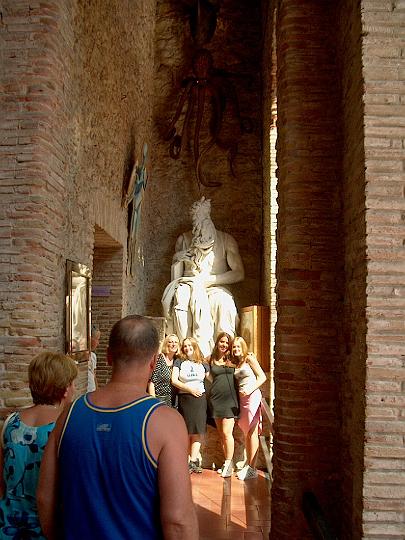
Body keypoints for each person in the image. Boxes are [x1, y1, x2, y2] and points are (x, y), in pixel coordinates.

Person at [37, 315, 198, 540]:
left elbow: (45, 498)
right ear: (153, 361)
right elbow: (177, 520)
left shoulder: (69, 414)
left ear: (108, 355)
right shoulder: (166, 421)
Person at [0, 352, 77, 539]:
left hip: (7, 525)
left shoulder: (10, 423)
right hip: (45, 528)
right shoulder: (66, 426)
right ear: (65, 389)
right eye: (73, 383)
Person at [162, 197, 244, 356]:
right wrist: (177, 259)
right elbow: (175, 277)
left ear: (209, 219)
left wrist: (210, 280)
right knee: (180, 297)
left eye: (202, 222)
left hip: (215, 286)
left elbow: (239, 273)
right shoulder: (184, 240)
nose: (199, 228)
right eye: (195, 224)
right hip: (188, 283)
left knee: (224, 303)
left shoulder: (226, 240)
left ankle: (222, 355)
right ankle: (186, 350)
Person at [171, 337, 209, 474]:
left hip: (200, 400)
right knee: (186, 431)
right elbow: (174, 380)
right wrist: (189, 389)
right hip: (185, 399)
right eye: (185, 346)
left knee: (197, 431)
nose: (187, 348)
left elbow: (211, 378)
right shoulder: (179, 361)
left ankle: (193, 461)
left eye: (189, 346)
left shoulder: (202, 362)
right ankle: (185, 461)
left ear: (195, 347)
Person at [232, 336, 267, 480]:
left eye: (238, 346)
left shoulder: (249, 358)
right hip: (242, 400)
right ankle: (249, 465)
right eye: (234, 347)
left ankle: (253, 468)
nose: (236, 349)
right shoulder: (237, 363)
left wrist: (249, 390)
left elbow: (262, 377)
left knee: (253, 432)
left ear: (243, 347)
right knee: (247, 432)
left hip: (252, 397)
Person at [206, 332, 239, 478]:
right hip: (215, 400)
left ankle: (228, 463)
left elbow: (244, 359)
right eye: (222, 342)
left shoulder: (233, 358)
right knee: (221, 434)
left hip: (230, 401)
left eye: (226, 342)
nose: (224, 345)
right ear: (217, 342)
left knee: (227, 433)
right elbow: (201, 365)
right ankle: (227, 464)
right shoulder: (210, 359)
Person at [148, 333, 180, 407]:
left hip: (173, 400)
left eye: (176, 342)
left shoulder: (177, 360)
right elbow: (151, 383)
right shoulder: (160, 359)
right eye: (170, 342)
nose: (173, 344)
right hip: (160, 399)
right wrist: (154, 403)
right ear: (166, 344)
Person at [87, 323, 101, 392]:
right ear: (90, 338)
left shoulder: (93, 356)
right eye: (97, 339)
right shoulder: (80, 357)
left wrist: (97, 391)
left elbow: (94, 376)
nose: (98, 343)